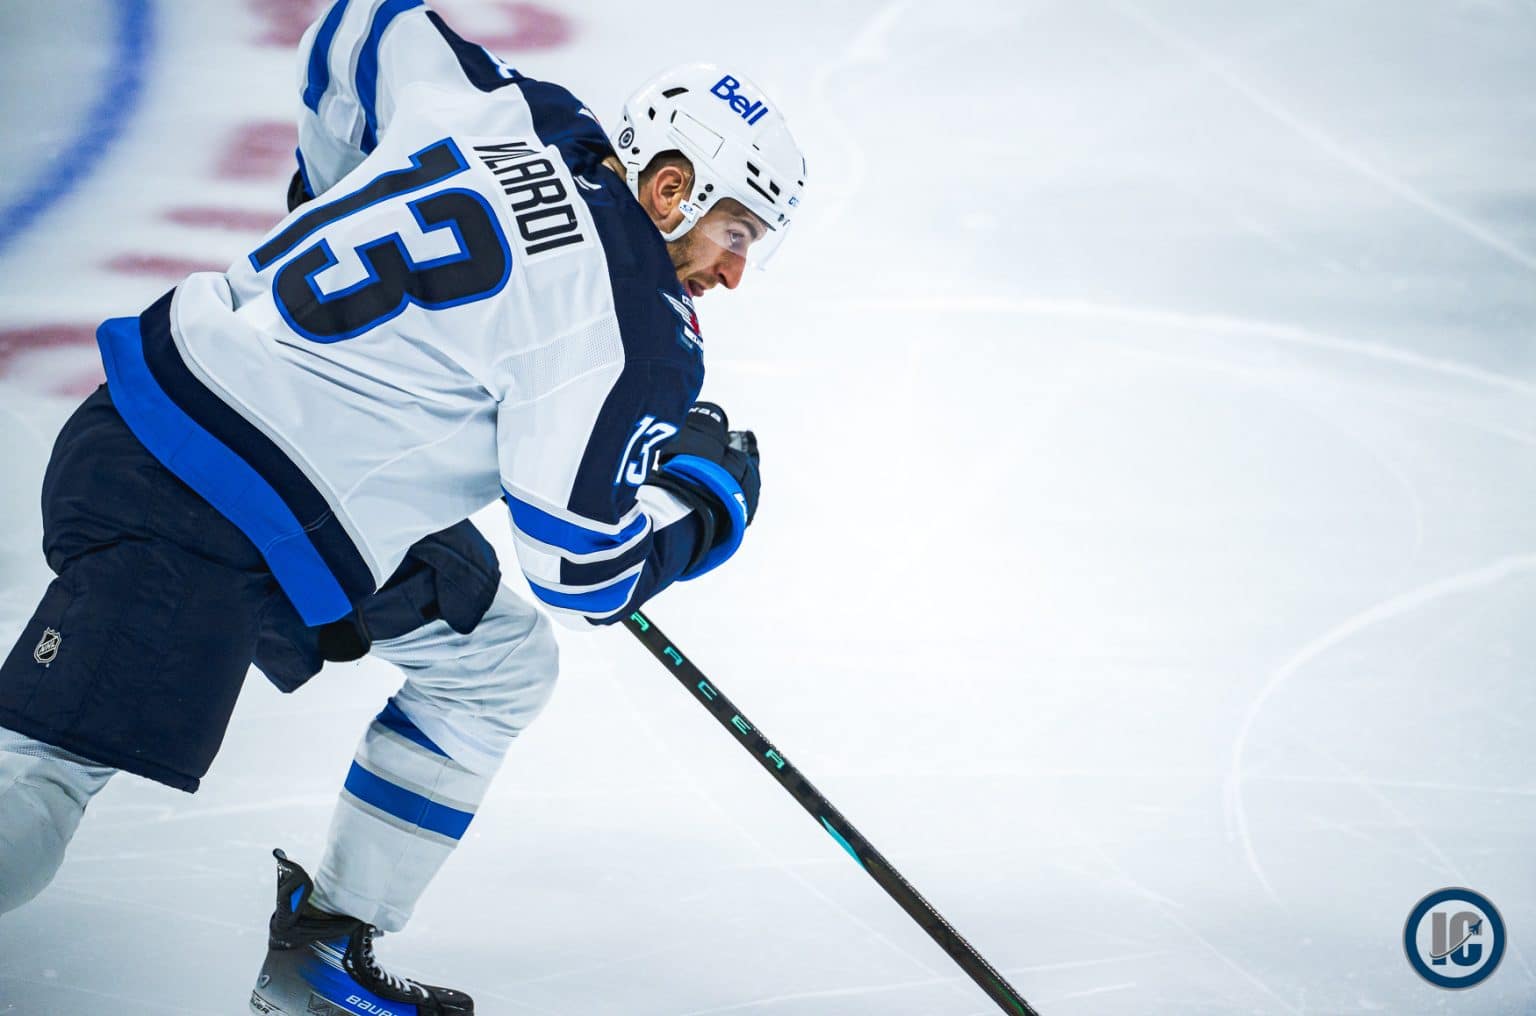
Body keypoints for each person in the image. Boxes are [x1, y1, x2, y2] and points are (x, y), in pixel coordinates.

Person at [0, 1, 806, 1012]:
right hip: (199, 506)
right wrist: (700, 505)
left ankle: (325, 951)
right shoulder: (637, 326)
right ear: (672, 188)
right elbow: (582, 574)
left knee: (496, 659)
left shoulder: (520, 114)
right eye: (736, 232)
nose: (735, 271)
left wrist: (335, 200)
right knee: (37, 785)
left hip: (206, 446)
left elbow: (359, 29)